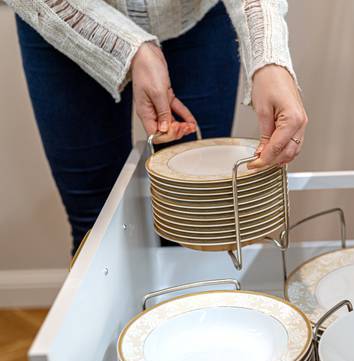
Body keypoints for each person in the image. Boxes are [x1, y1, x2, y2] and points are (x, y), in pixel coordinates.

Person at [7, 0, 307, 254]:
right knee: (96, 226)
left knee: (195, 219)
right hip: (63, 12)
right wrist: (130, 50)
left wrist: (270, 58)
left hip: (196, 17)